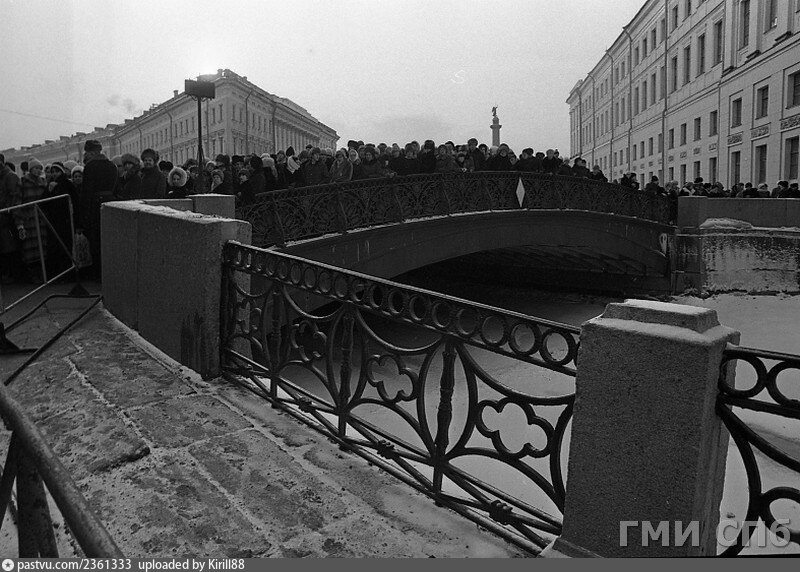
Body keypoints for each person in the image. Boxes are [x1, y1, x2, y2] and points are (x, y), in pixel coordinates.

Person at [78, 139, 117, 278]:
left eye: (87, 152)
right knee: (108, 239)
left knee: (95, 241)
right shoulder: (112, 165)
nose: (86, 155)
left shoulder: (90, 167)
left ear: (92, 152)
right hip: (110, 204)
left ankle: (98, 272)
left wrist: (83, 215)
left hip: (94, 207)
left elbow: (86, 192)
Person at [18, 159, 48, 281]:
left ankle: (42, 273)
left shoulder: (43, 182)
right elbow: (19, 201)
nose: (38, 170)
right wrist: (20, 221)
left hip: (41, 219)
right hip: (29, 219)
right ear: (30, 169)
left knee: (42, 246)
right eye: (36, 168)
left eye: (40, 168)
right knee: (30, 248)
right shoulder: (23, 183)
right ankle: (33, 274)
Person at [0, 153, 24, 283]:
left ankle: (15, 274)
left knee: (11, 247)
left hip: (8, 217)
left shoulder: (10, 176)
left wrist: (10, 211)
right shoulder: (5, 176)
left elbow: (15, 198)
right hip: (5, 216)